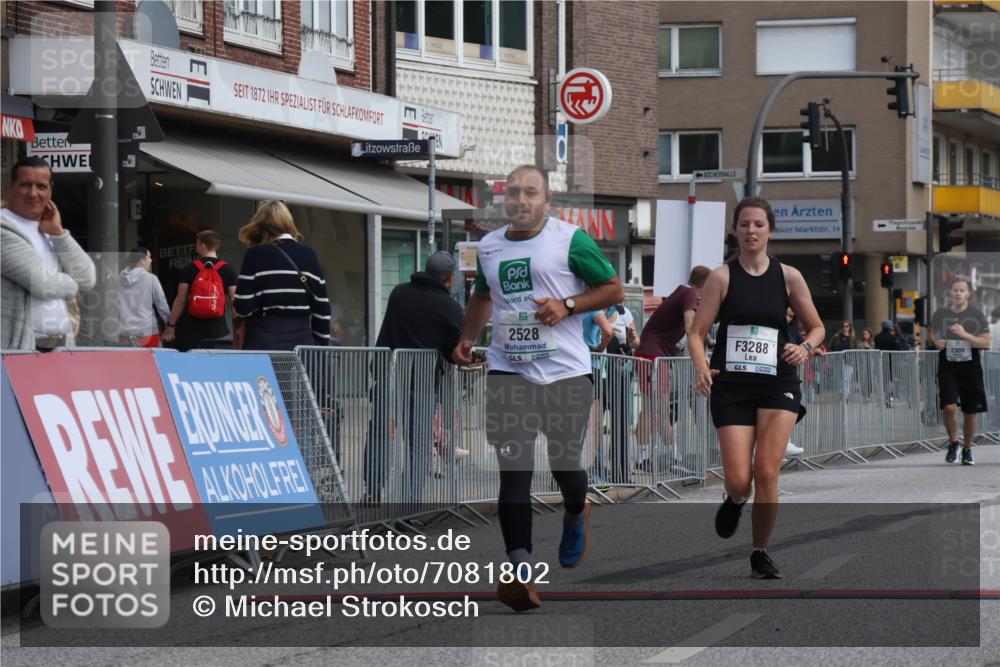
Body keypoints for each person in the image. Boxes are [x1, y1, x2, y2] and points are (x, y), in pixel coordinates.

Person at [452, 164, 624, 612]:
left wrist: (567, 305)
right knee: (514, 470)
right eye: (513, 192)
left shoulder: (570, 239)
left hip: (566, 373)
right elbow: (483, 295)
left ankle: (575, 509)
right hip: (510, 371)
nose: (520, 200)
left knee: (564, 463)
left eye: (530, 193)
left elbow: (612, 289)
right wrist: (469, 338)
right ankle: (521, 573)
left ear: (548, 200)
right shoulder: (488, 247)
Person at [689, 197, 824, 580]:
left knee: (767, 470)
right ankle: (734, 499)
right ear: (735, 230)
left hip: (777, 383)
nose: (751, 231)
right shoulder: (722, 277)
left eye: (758, 225)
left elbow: (816, 326)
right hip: (731, 386)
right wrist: (701, 367)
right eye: (744, 224)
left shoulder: (789, 276)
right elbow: (697, 333)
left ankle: (760, 551)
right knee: (739, 479)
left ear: (770, 231)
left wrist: (806, 347)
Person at [363, 251, 465, 506]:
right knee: (417, 446)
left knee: (380, 433)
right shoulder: (449, 307)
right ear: (450, 278)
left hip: (388, 375)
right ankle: (410, 504)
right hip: (421, 384)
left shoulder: (399, 293)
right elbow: (453, 352)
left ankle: (373, 491)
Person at [1, 156, 96, 351]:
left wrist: (59, 234)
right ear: (11, 186)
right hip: (17, 350)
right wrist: (72, 286)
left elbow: (88, 278)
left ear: (50, 189)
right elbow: (42, 283)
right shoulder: (4, 228)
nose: (33, 193)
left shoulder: (49, 230)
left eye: (41, 186)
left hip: (59, 348)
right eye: (25, 184)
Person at [633, 266, 712, 471]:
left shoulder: (682, 292)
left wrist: (709, 341)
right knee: (659, 407)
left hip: (651, 354)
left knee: (650, 408)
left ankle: (643, 457)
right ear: (706, 284)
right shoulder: (688, 293)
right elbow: (690, 324)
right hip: (654, 356)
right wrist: (701, 357)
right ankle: (673, 457)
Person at [233, 201, 332, 350]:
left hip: (264, 343)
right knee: (298, 374)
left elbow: (242, 305)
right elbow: (322, 308)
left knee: (263, 375)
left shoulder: (255, 255)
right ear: (289, 223)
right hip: (302, 344)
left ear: (260, 226)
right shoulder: (309, 255)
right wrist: (319, 346)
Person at [928, 278, 991, 465]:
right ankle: (954, 442)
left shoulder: (976, 315)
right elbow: (932, 331)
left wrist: (965, 335)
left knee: (970, 411)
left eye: (961, 291)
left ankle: (967, 449)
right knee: (949, 407)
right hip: (948, 366)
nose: (957, 293)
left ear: (968, 295)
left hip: (970, 368)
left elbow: (986, 343)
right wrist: (935, 341)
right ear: (950, 293)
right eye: (955, 290)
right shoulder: (941, 313)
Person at [162, 230, 238, 351]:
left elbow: (180, 300)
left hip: (192, 329)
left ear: (203, 245)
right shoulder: (228, 270)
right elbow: (234, 303)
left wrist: (171, 325)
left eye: (197, 244)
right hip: (218, 330)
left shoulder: (190, 269)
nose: (196, 247)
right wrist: (238, 329)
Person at [116, 247, 170, 347]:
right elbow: (162, 305)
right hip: (148, 332)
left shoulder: (119, 279)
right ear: (142, 260)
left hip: (125, 332)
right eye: (149, 257)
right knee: (152, 361)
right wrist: (170, 325)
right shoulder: (151, 278)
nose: (151, 260)